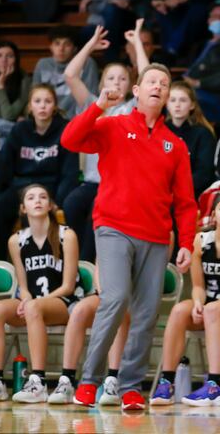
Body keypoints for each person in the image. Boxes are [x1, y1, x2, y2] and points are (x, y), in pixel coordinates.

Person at [61, 63, 197, 411]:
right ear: (137, 91)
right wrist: (98, 106)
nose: (158, 87)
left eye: (164, 84)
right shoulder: (113, 126)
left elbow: (185, 202)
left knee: (148, 312)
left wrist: (185, 243)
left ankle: (131, 386)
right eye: (151, 81)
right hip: (113, 227)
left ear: (167, 95)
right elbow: (70, 139)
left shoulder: (175, 145)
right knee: (115, 298)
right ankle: (89, 381)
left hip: (155, 236)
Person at [151, 190, 220, 407]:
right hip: (210, 306)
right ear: (213, 215)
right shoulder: (200, 240)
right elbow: (198, 286)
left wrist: (210, 307)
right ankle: (166, 383)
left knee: (212, 311)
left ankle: (215, 387)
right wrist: (199, 303)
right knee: (180, 309)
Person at [62, 20, 149, 263]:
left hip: (119, 185)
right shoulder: (94, 104)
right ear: (102, 84)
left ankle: (90, 266)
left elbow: (147, 75)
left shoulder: (134, 108)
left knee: (94, 214)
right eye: (111, 78)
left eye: (122, 79)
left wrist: (137, 44)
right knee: (70, 204)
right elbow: (70, 75)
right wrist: (90, 45)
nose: (117, 83)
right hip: (92, 182)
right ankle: (75, 262)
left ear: (131, 85)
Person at [0, 184, 83, 403]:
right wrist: (26, 299)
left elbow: (68, 286)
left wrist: (33, 303)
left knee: (34, 307)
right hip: (32, 304)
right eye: (31, 198)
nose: (37, 201)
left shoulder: (67, 235)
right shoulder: (16, 241)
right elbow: (23, 285)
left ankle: (38, 382)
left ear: (51, 205)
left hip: (64, 303)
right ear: (23, 208)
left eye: (43, 197)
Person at [0, 84, 78, 261]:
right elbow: (4, 165)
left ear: (55, 106)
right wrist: (1, 192)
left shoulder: (65, 129)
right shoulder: (19, 130)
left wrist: (57, 200)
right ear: (30, 107)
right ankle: (1, 267)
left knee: (38, 214)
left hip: (50, 189)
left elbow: (70, 172)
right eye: (37, 101)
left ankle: (47, 268)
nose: (42, 106)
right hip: (21, 188)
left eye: (48, 101)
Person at [48, 263, 131, 405]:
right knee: (79, 310)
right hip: (106, 293)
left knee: (119, 309)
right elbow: (100, 262)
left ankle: (113, 381)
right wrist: (103, 291)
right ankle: (67, 380)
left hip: (133, 296)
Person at [182, 0, 220, 130]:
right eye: (215, 16)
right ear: (208, 20)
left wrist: (200, 83)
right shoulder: (200, 45)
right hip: (190, 90)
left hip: (215, 98)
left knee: (182, 102)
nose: (219, 20)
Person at [32, 25, 100, 118]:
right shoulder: (43, 64)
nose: (61, 49)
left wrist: (58, 111)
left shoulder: (87, 63)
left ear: (74, 48)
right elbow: (34, 94)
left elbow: (91, 96)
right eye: (57, 43)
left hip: (77, 118)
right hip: (47, 117)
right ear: (51, 47)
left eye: (67, 44)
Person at [166, 81, 216, 199]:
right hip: (162, 194)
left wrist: (179, 190)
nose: (177, 104)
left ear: (192, 105)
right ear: (166, 103)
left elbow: (204, 173)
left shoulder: (203, 134)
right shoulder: (159, 131)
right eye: (172, 100)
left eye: (183, 100)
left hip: (192, 194)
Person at [78, 0, 137, 64]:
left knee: (112, 10)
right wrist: (111, 0)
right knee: (81, 34)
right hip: (99, 25)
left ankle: (112, 63)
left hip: (123, 22)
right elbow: (92, 7)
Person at [0, 41, 32, 145]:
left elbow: (8, 115)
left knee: (4, 139)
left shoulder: (25, 81)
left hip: (7, 129)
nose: (4, 60)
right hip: (7, 127)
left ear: (16, 60)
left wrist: (1, 86)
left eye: (10, 56)